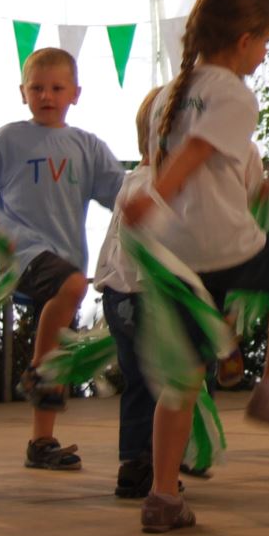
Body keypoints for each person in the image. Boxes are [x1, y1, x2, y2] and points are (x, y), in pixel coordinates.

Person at [121, 0, 269, 533]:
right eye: (264, 43)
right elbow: (198, 152)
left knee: (181, 380)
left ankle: (163, 497)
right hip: (220, 243)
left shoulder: (168, 92)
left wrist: (157, 202)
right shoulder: (234, 92)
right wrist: (161, 193)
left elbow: (178, 160)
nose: (264, 53)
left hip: (176, 250)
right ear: (243, 40)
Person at [0, 47, 124, 471]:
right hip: (21, 252)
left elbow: (125, 201)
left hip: (65, 259)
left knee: (59, 351)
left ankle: (42, 443)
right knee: (71, 285)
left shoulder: (87, 146)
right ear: (22, 92)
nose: (46, 96)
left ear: (76, 93)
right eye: (37, 88)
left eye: (56, 88)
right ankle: (36, 372)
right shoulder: (9, 138)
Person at [94, 86, 163, 499]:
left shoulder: (132, 181)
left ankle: (140, 459)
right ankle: (145, 460)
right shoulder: (158, 187)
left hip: (119, 296)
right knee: (163, 380)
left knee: (142, 380)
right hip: (144, 297)